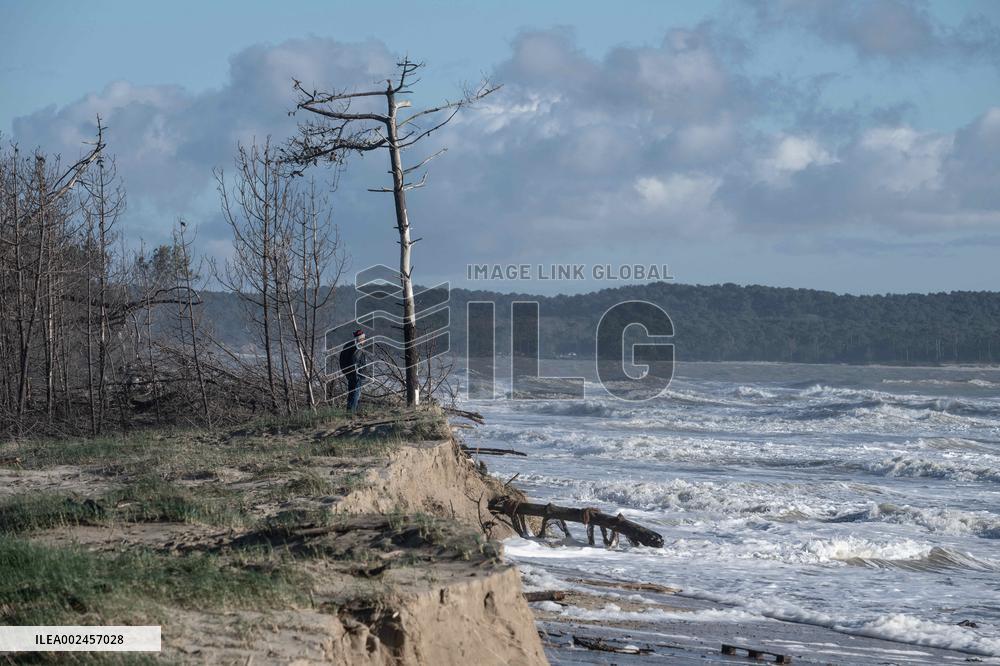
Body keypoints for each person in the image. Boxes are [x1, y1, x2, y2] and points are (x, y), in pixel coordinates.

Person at [339, 329, 368, 413]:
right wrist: (359, 373)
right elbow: (355, 362)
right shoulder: (357, 348)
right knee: (356, 393)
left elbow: (342, 360)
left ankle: (353, 411)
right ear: (360, 339)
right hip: (356, 375)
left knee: (352, 393)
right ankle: (352, 413)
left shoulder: (348, 346)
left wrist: (346, 372)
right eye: (364, 338)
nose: (365, 340)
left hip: (349, 374)